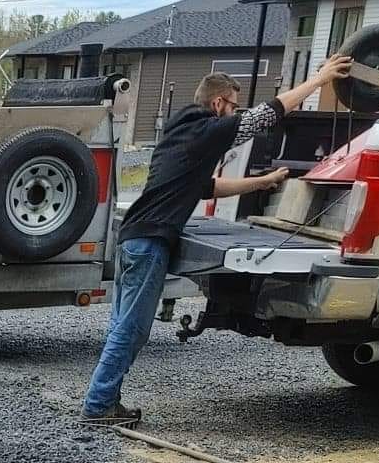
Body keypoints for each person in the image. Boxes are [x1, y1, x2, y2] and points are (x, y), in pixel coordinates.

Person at [81, 52, 354, 426]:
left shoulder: (182, 133)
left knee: (121, 325)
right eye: (234, 106)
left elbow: (208, 187)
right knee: (133, 328)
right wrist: (320, 80)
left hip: (133, 237)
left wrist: (261, 182)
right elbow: (268, 113)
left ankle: (104, 400)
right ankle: (97, 405)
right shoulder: (209, 128)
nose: (236, 112)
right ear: (218, 103)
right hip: (150, 243)